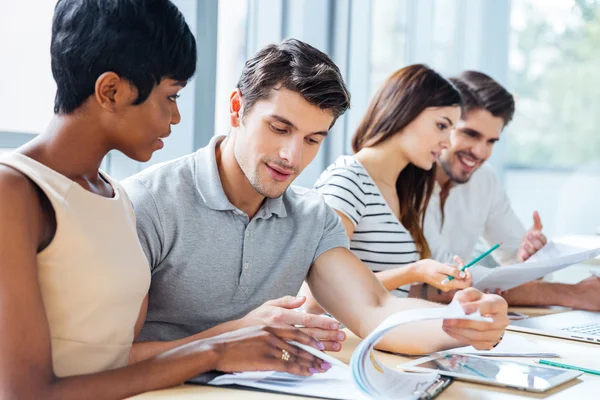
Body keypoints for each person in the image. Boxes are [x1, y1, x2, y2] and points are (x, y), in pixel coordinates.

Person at [0, 2, 329, 398]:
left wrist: (231, 348)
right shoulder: (14, 191)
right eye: (169, 96)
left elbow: (117, 358)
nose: (175, 117)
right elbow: (25, 393)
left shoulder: (116, 197)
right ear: (111, 91)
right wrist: (215, 350)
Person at [122, 40, 509, 363]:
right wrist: (230, 340)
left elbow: (376, 310)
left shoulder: (312, 217)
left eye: (313, 139)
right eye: (279, 128)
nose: (292, 157)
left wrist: (463, 323)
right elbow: (107, 359)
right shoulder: (148, 202)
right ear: (238, 108)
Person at [299, 65, 471, 317]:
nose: (447, 143)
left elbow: (387, 297)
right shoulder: (348, 180)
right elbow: (314, 299)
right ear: (407, 110)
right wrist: (413, 272)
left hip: (380, 339)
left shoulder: (400, 190)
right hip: (342, 348)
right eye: (442, 126)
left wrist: (444, 289)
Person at [420, 71, 600, 310]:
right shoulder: (408, 181)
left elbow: (517, 258)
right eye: (470, 134)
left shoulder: (483, 179)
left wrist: (528, 260)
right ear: (445, 124)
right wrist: (573, 293)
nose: (480, 152)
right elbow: (439, 285)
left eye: (491, 141)